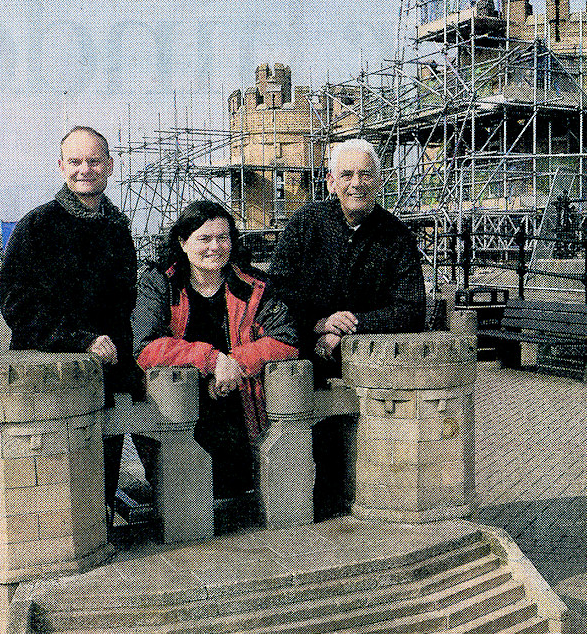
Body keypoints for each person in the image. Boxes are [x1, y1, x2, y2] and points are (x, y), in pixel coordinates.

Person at [0, 125, 144, 511]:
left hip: (108, 375)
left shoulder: (118, 229)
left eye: (94, 161)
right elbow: (16, 305)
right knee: (55, 499)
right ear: (61, 167)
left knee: (101, 487)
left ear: (110, 167)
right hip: (50, 377)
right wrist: (81, 339)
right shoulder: (37, 226)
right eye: (76, 161)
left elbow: (125, 303)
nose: (85, 169)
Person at [134, 201, 297, 502]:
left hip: (241, 406)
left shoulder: (252, 285)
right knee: (187, 500)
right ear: (183, 243)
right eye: (204, 239)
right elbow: (145, 347)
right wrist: (212, 359)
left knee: (235, 491)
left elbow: (286, 340)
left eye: (223, 238)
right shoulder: (160, 284)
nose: (214, 247)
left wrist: (235, 362)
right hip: (179, 409)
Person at [264, 138, 427, 376]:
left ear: (379, 181)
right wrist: (318, 323)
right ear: (331, 182)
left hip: (371, 368)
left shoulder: (397, 236)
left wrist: (348, 326)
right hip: (298, 365)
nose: (356, 184)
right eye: (347, 175)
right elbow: (275, 292)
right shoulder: (305, 223)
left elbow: (411, 310)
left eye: (366, 175)